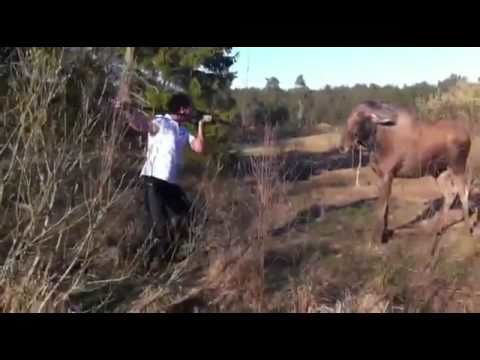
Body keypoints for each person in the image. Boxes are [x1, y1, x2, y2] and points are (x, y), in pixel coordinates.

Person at [114, 93, 211, 263]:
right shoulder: (161, 122)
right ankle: (152, 262)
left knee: (189, 216)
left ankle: (174, 255)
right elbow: (141, 125)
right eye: (190, 108)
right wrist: (128, 111)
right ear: (181, 109)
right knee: (159, 226)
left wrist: (201, 125)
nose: (192, 111)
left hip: (171, 184)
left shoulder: (183, 130)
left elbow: (200, 148)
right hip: (153, 180)